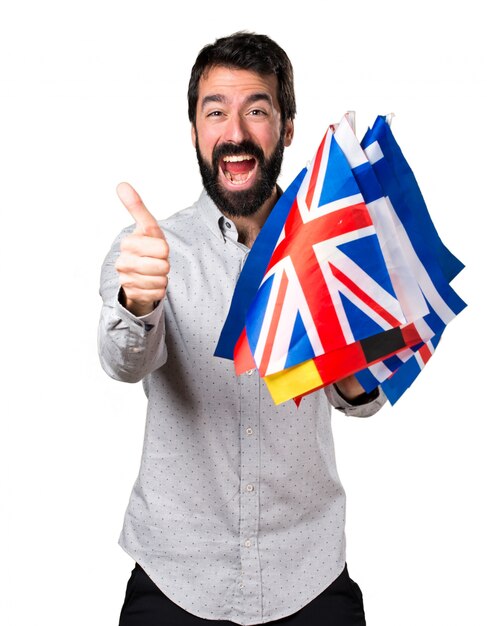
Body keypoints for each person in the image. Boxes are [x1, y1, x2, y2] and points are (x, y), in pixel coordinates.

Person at [98, 31, 386, 626]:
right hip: (176, 575)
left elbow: (359, 399)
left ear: (285, 129)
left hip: (307, 572)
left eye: (257, 109)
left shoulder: (330, 244)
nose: (235, 131)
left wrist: (355, 356)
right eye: (215, 112)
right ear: (196, 132)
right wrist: (139, 299)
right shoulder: (152, 250)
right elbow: (122, 362)